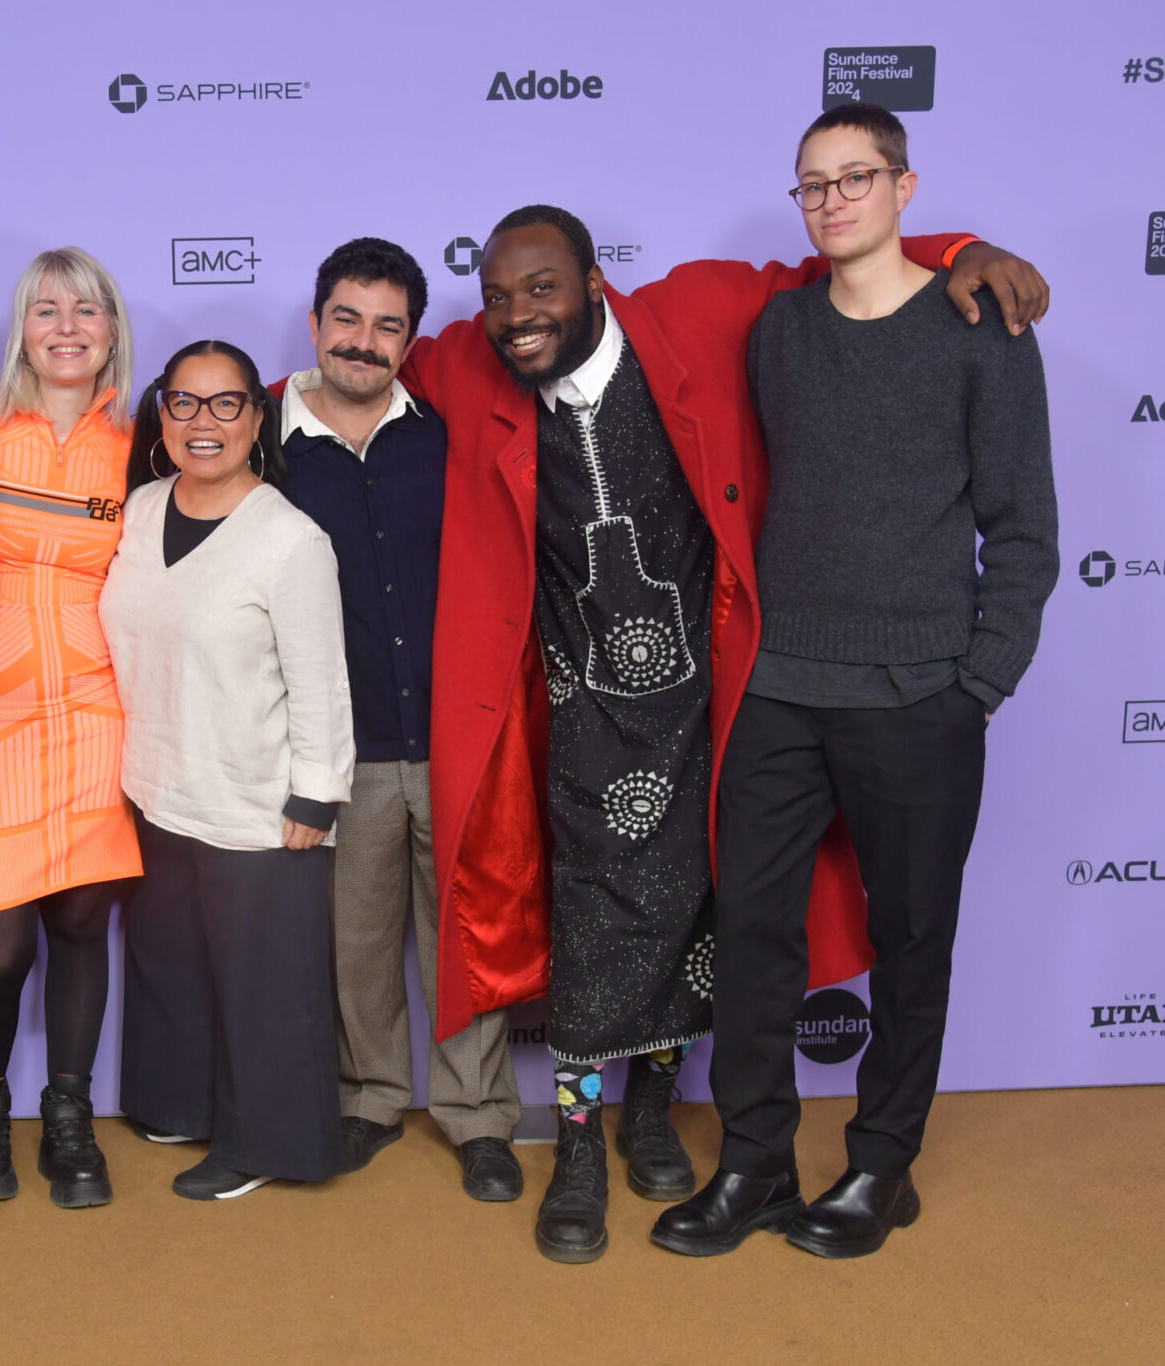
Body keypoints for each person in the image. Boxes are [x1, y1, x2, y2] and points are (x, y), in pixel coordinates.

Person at [402, 206, 1049, 1263]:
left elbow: (832, 260)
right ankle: (575, 1146)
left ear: (595, 282)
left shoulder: (693, 312)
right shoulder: (478, 364)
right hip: (577, 712)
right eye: (497, 298)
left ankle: (659, 1116)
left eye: (540, 290)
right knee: (587, 925)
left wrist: (957, 251)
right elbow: (376, 353)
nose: (515, 316)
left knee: (707, 921)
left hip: (719, 702)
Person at [654, 103, 1057, 1261]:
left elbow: (1023, 528)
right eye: (812, 184)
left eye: (855, 178)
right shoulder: (777, 331)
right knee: (752, 936)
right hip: (780, 688)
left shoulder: (982, 330)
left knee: (913, 939)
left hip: (922, 694)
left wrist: (977, 680)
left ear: (904, 189)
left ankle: (881, 1162)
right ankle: (753, 1160)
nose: (833, 200)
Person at [272, 239, 524, 1197]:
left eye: (387, 326)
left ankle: (478, 1115)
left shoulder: (447, 431)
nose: (364, 342)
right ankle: (370, 1097)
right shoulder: (263, 438)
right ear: (315, 322)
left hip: (457, 738)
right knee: (356, 943)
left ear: (409, 338)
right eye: (347, 318)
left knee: (465, 934)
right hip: (342, 749)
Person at [100, 340, 354, 1200]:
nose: (202, 424)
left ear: (257, 418)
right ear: (160, 413)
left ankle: (266, 1145)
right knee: (172, 967)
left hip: (256, 800)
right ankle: (184, 1105)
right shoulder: (137, 510)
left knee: (261, 986)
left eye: (226, 404)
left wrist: (316, 793)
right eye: (184, 403)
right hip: (158, 785)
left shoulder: (289, 540)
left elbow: (322, 681)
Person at [0, 248, 144, 1209]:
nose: (67, 327)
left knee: (78, 925)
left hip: (102, 718)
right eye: (46, 310)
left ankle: (69, 1118)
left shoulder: (143, 445)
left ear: (113, 329)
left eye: (87, 310)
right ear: (22, 328)